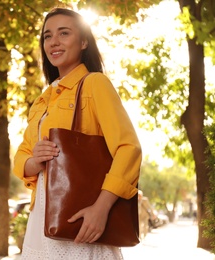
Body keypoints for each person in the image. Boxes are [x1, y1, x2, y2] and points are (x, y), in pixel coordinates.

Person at [13, 7, 142, 259]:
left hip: (83, 218)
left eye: (64, 33)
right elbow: (21, 157)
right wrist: (34, 161)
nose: (54, 42)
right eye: (47, 36)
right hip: (41, 220)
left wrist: (101, 208)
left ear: (84, 42)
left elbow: (129, 148)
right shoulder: (42, 100)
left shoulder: (95, 84)